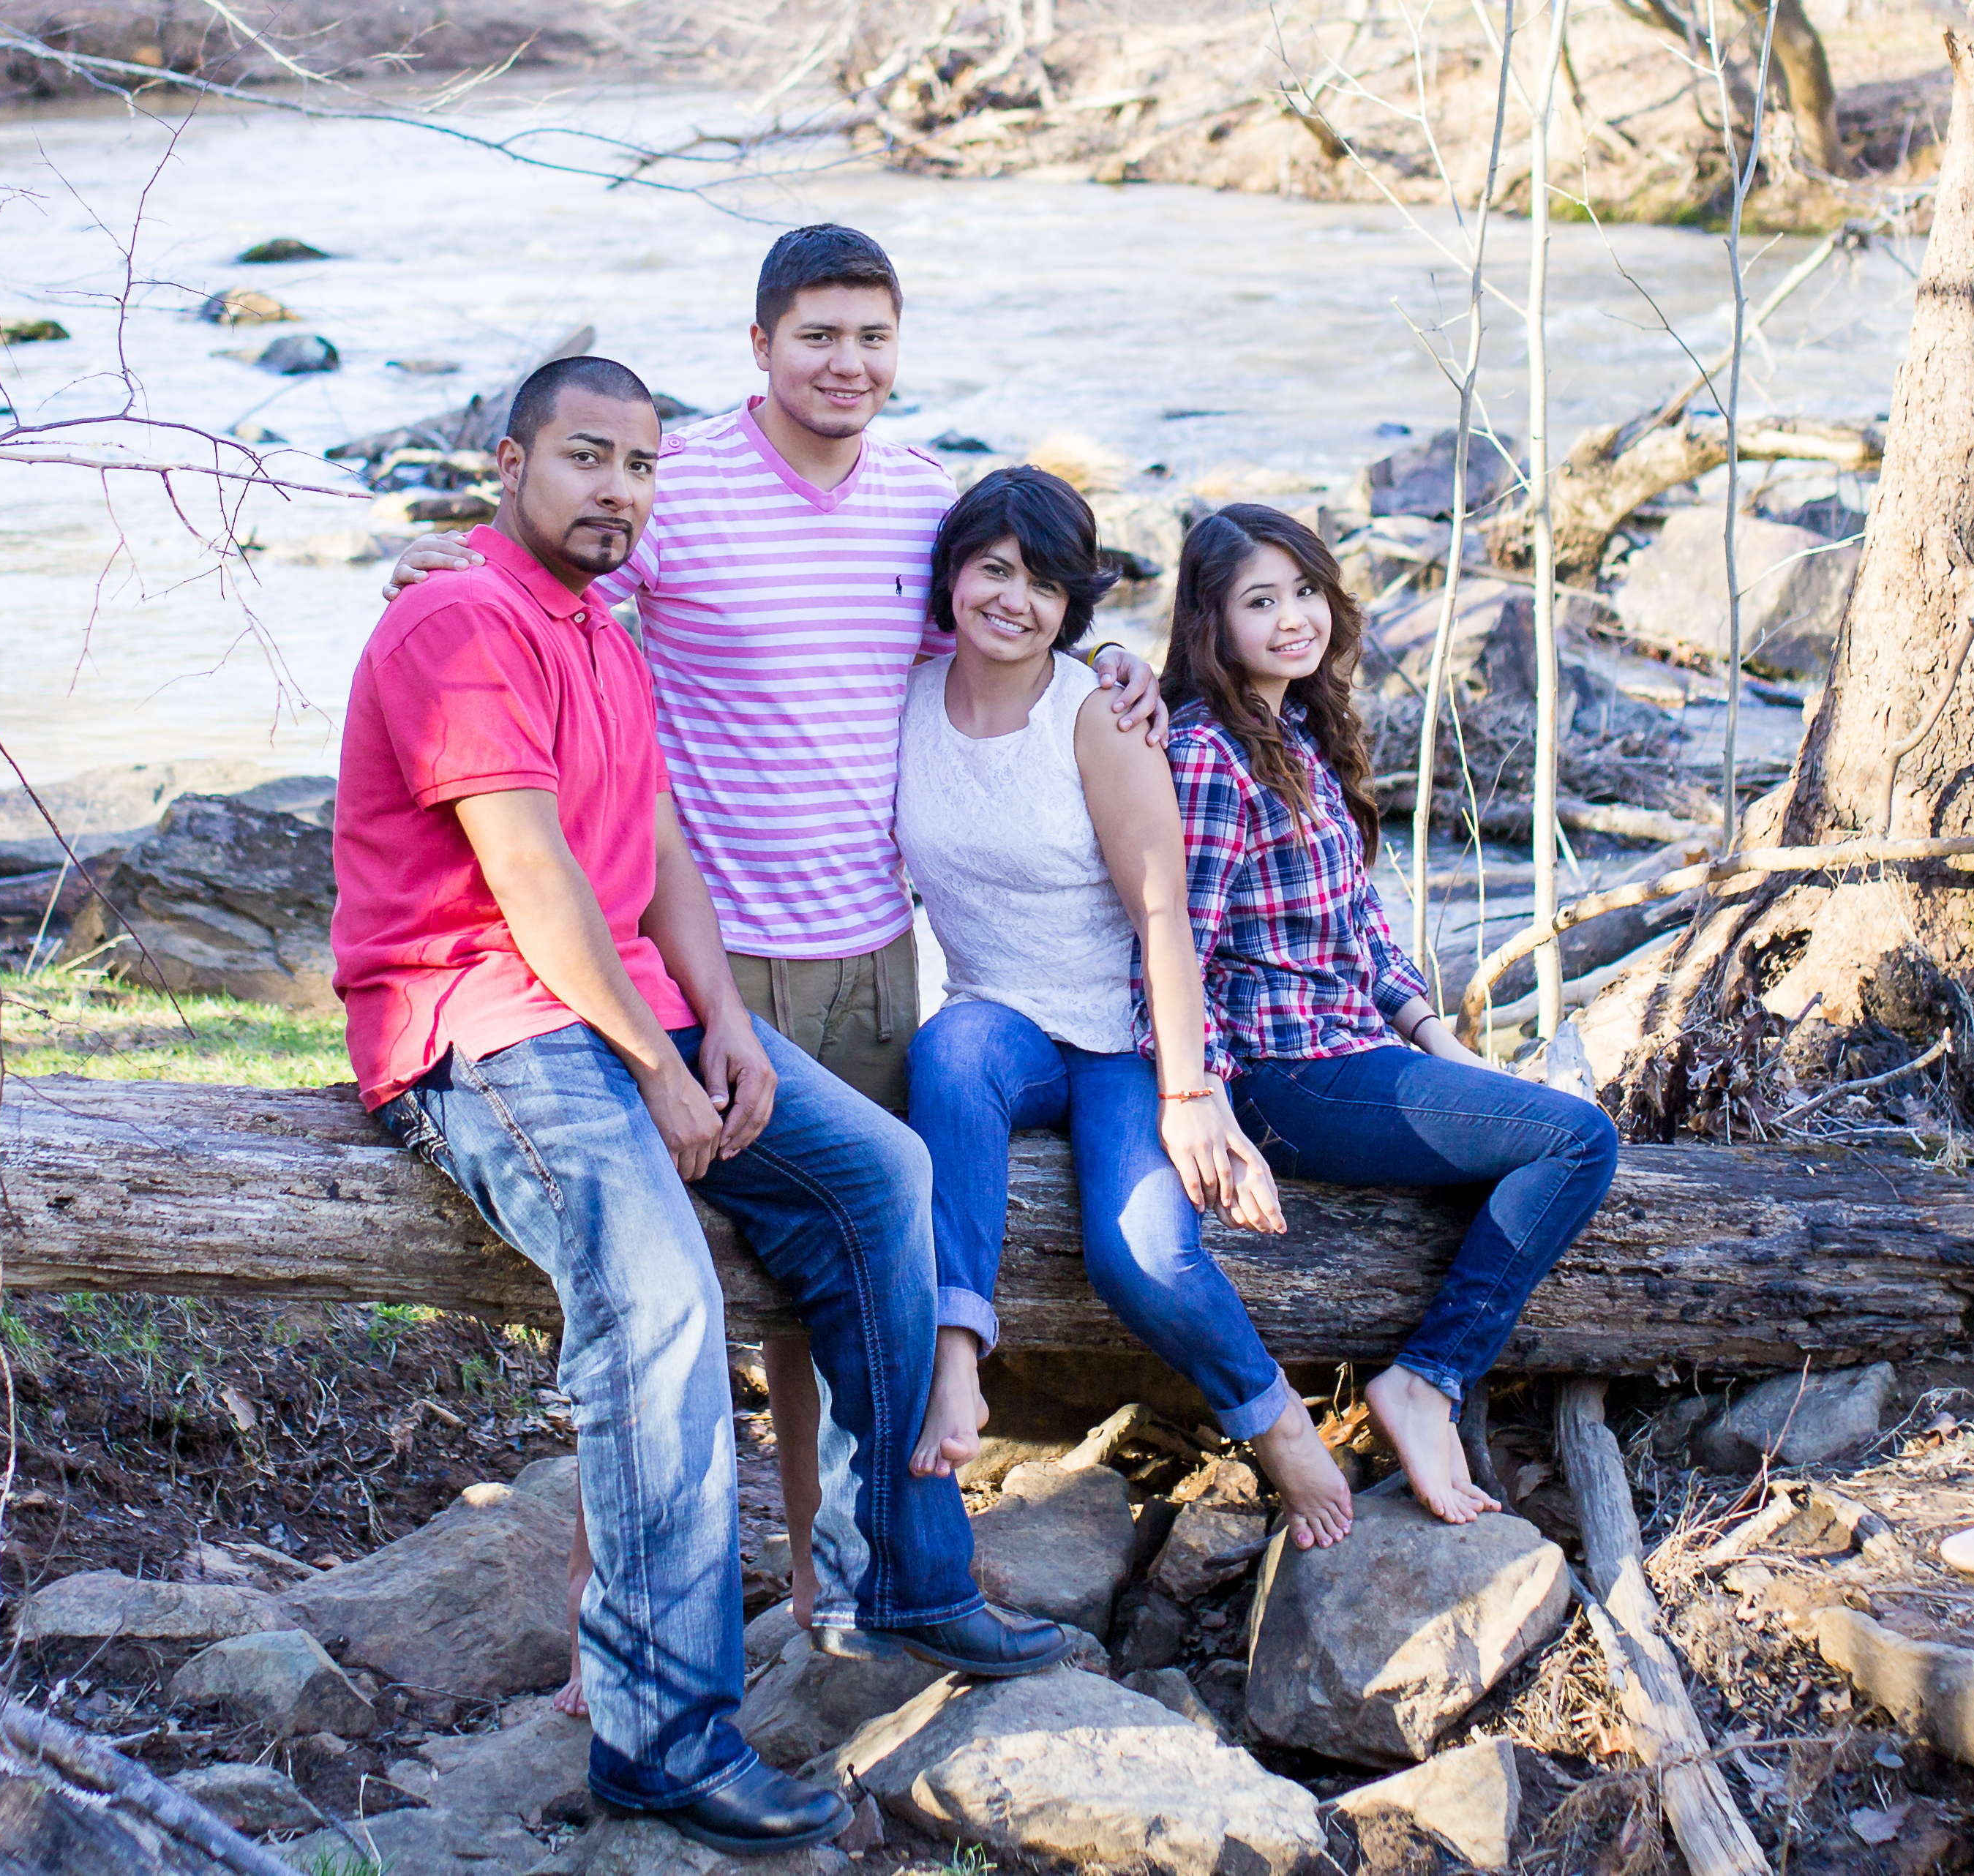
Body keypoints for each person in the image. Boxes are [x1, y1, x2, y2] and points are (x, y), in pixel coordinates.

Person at [385, 227, 1168, 1691]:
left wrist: (1120, 663)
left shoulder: (926, 500)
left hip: (873, 949)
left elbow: (1006, 633)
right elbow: (562, 616)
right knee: (645, 1286)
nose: (848, 363)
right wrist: (455, 573)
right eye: (819, 335)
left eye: (874, 335)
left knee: (843, 1284)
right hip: (698, 961)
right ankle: (597, 1629)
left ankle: (834, 1585)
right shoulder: (676, 490)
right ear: (760, 346)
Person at [335, 355, 1069, 1857]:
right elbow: (531, 875)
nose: (617, 489)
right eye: (587, 458)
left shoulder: (597, 624)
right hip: (482, 1023)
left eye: (640, 467)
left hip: (633, 1010)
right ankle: (660, 1734)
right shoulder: (459, 619)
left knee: (880, 1175)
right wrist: (660, 1068)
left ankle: (903, 1575)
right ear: (510, 462)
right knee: (661, 1303)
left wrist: (720, 1022)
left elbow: (656, 831)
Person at [893, 468, 1355, 1548]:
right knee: (950, 1052)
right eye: (994, 571)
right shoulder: (905, 694)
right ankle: (955, 1359)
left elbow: (1163, 912)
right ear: (952, 576)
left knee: (1142, 1251)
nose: (1015, 600)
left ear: (1074, 605)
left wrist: (1192, 1092)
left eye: (1046, 584)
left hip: (1122, 1040)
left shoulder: (1098, 712)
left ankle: (1274, 1418)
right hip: (1000, 1022)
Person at [1160, 503, 1621, 1525]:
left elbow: (1364, 935)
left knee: (1542, 1117)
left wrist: (1440, 1039)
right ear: (1208, 622)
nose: (1293, 618)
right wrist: (1201, 1103)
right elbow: (1171, 947)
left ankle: (1428, 1379)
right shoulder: (1204, 754)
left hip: (1351, 1051)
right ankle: (1424, 1378)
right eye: (1259, 601)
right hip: (1283, 1078)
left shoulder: (1293, 735)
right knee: (1578, 1141)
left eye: (1305, 592)